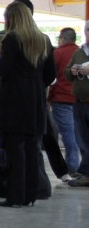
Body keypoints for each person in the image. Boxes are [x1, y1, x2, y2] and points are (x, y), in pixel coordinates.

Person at [0, 2, 56, 207]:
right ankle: (30, 195)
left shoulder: (12, 39)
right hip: (36, 100)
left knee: (14, 150)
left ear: (12, 18)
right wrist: (35, 85)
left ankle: (15, 196)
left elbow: (4, 69)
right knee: (32, 149)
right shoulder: (44, 40)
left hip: (14, 100)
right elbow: (51, 75)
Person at [50, 27, 81, 179]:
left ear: (62, 39)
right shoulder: (81, 54)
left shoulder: (57, 53)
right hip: (80, 99)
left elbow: (50, 76)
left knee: (69, 135)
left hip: (61, 99)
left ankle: (73, 168)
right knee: (80, 134)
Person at [64, 20, 89, 187]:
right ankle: (85, 173)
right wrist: (71, 71)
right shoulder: (79, 52)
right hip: (79, 103)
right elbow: (66, 73)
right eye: (87, 29)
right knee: (82, 140)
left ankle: (86, 173)